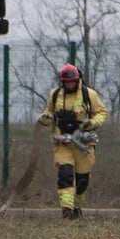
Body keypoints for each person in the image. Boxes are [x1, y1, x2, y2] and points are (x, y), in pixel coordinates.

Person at [37, 63, 109, 220]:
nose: (70, 84)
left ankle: (77, 208)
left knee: (82, 180)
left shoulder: (89, 95)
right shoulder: (55, 95)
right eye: (67, 82)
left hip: (84, 144)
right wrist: (45, 118)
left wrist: (93, 123)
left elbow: (102, 112)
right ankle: (66, 210)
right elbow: (48, 112)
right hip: (62, 144)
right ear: (62, 82)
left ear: (77, 80)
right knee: (65, 175)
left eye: (72, 82)